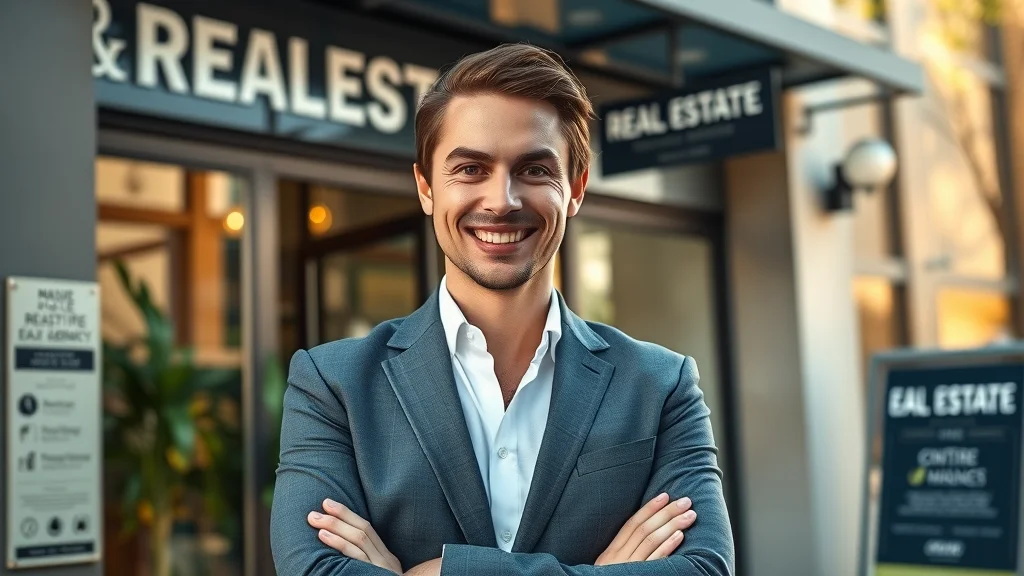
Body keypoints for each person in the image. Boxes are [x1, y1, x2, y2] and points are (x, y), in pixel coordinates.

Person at [269, 43, 735, 576]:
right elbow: (314, 571)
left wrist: (440, 572)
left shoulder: (661, 385)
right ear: (425, 187)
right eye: (469, 168)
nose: (502, 200)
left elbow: (703, 568)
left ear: (576, 188)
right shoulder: (333, 384)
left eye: (535, 169)